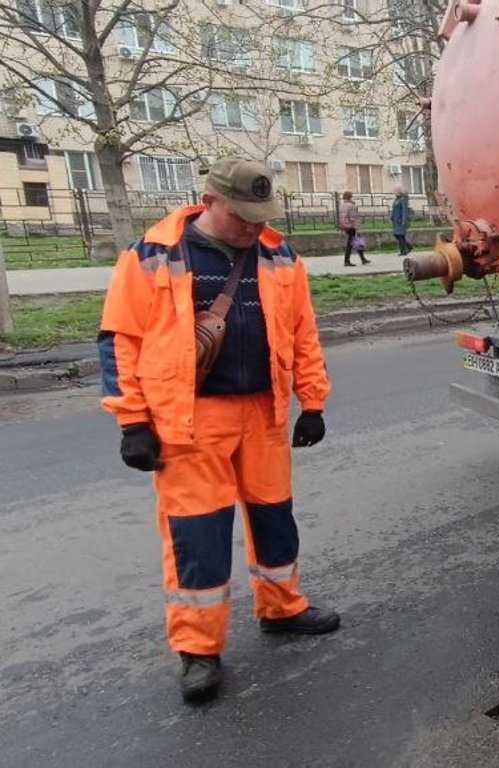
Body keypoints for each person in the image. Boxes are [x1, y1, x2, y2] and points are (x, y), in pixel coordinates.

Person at [98, 158, 341, 704]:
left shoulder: (280, 256)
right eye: (242, 218)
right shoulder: (153, 256)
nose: (253, 228)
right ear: (210, 201)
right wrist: (133, 421)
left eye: (260, 217)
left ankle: (282, 608)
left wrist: (314, 402)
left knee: (274, 517)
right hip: (190, 420)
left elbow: (303, 333)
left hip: (263, 412)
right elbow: (119, 340)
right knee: (198, 537)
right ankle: (198, 650)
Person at [339, 191, 369, 266]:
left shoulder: (342, 206)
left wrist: (341, 227)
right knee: (352, 244)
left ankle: (363, 259)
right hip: (351, 226)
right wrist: (357, 228)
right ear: (350, 197)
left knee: (356, 242)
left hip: (345, 226)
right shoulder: (352, 206)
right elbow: (353, 218)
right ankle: (347, 261)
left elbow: (341, 217)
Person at [391, 185, 414, 256]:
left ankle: (403, 251)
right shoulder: (396, 200)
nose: (395, 193)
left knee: (401, 236)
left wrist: (404, 220)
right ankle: (408, 247)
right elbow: (394, 209)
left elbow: (404, 210)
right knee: (397, 235)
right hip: (396, 220)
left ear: (400, 192)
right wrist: (392, 216)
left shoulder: (403, 199)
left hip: (401, 220)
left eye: (396, 191)